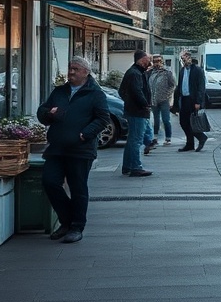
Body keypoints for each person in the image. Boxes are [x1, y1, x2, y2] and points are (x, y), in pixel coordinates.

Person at [36, 56, 110, 243]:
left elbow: (103, 118)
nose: (71, 72)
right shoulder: (60, 91)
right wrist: (48, 114)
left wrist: (85, 134)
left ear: (86, 72)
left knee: (78, 188)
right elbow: (42, 112)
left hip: (81, 149)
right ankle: (67, 221)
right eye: (70, 68)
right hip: (57, 147)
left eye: (75, 69)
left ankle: (76, 227)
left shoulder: (95, 93)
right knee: (50, 182)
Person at [119, 49, 153, 177]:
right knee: (136, 140)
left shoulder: (134, 72)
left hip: (134, 110)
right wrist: (145, 104)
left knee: (132, 139)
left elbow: (122, 91)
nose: (149, 62)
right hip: (138, 111)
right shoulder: (135, 73)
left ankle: (127, 166)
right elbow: (137, 91)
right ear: (142, 60)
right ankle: (135, 167)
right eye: (148, 59)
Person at [172, 49, 208, 152]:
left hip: (192, 100)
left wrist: (198, 102)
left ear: (190, 58)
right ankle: (190, 143)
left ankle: (201, 137)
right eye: (182, 59)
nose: (184, 60)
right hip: (184, 99)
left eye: (185, 58)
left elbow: (201, 87)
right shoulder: (182, 70)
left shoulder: (197, 70)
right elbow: (179, 86)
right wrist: (175, 103)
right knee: (183, 122)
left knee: (192, 122)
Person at [147, 54, 176, 146]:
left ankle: (168, 138)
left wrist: (168, 95)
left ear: (162, 61)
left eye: (159, 61)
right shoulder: (150, 72)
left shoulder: (167, 72)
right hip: (154, 99)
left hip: (164, 99)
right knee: (156, 120)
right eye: (155, 61)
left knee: (166, 119)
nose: (157, 63)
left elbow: (173, 85)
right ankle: (155, 137)